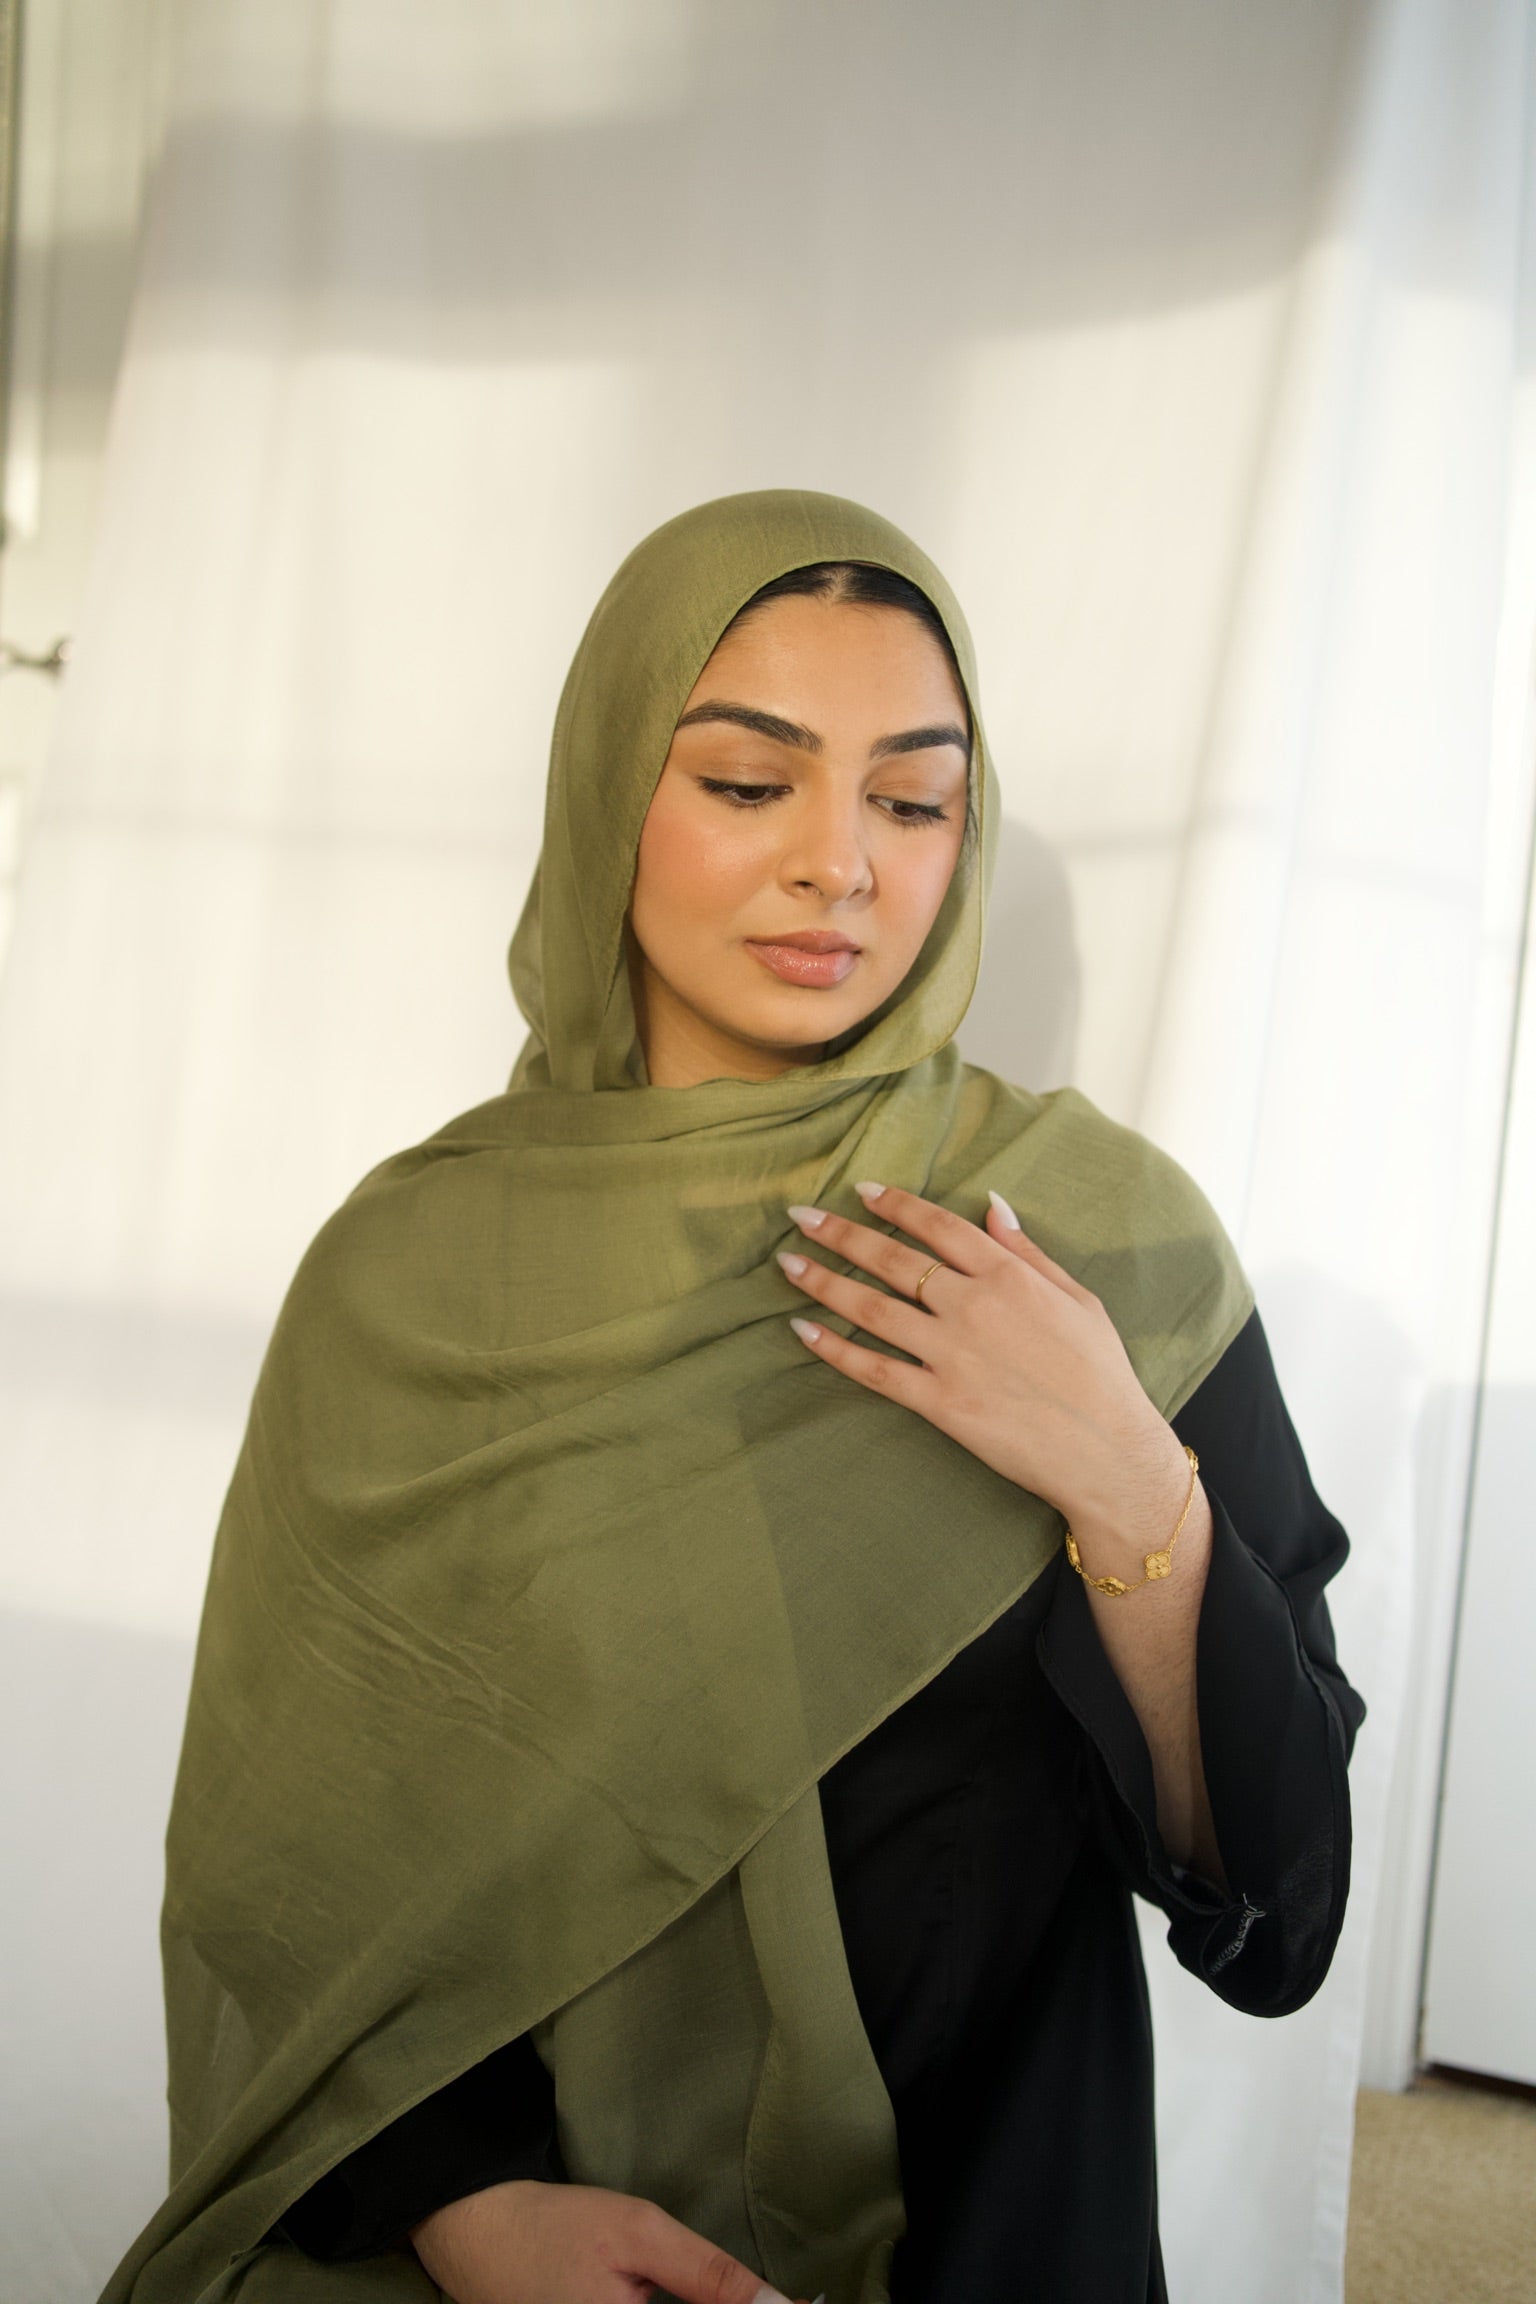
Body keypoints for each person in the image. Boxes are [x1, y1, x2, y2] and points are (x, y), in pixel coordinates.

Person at [101, 491, 1362, 2304]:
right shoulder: (412, 1282)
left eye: (911, 802)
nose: (838, 865)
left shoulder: (1097, 1246)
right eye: (752, 783)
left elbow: (1282, 1907)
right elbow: (289, 1865)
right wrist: (469, 2209)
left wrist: (1122, 1473)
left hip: (992, 2234)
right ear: (610, 792)